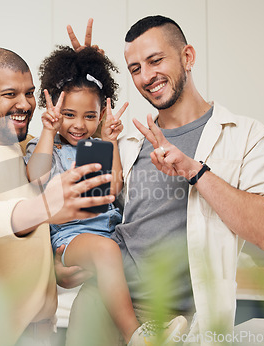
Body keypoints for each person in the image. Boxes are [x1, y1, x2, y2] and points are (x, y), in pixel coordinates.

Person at [62, 16, 264, 346]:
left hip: (186, 324)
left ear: (187, 57)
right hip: (103, 307)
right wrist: (87, 84)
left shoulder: (246, 137)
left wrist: (195, 171)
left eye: (156, 60)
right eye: (135, 68)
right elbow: (87, 207)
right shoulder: (128, 143)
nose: (146, 76)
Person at [0, 47, 115, 346]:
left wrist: (84, 76)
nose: (25, 104)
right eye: (9, 94)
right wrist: (47, 206)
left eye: (29, 93)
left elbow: (84, 133)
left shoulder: (29, 147)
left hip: (39, 334)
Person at [25, 45, 166, 345]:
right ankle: (136, 336)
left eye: (90, 116)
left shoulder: (97, 147)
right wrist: (49, 131)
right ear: (53, 112)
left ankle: (145, 327)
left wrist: (110, 140)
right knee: (106, 251)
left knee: (114, 253)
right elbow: (36, 176)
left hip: (107, 238)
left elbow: (112, 189)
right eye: (68, 115)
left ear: (102, 114)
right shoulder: (44, 146)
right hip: (70, 239)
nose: (79, 124)